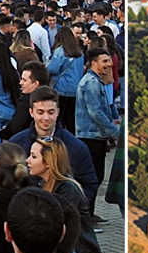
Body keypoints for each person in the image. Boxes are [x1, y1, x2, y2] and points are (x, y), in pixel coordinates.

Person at [26, 137, 109, 253]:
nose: (27, 161)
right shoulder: (45, 186)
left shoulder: (67, 189)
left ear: (48, 162)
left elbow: (54, 229)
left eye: (33, 156)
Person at [9, 87, 100, 217]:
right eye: (40, 112)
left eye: (51, 112)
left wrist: (69, 209)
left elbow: (89, 184)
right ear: (31, 112)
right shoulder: (16, 144)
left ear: (57, 112)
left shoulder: (77, 147)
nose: (46, 118)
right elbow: (8, 184)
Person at [75, 48, 119, 219]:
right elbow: (95, 113)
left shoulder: (94, 81)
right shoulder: (92, 83)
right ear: (94, 63)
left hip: (93, 136)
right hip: (91, 137)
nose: (109, 64)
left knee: (95, 178)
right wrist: (114, 131)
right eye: (105, 61)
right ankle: (85, 217)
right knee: (92, 178)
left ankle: (89, 215)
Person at [0, 61, 48, 142]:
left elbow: (15, 126)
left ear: (35, 83)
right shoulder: (50, 99)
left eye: (24, 80)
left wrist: (3, 133)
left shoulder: (25, 101)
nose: (20, 83)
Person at [46, 27, 84, 132]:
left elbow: (53, 69)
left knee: (60, 117)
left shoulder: (60, 51)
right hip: (75, 88)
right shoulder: (79, 52)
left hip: (61, 87)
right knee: (71, 117)